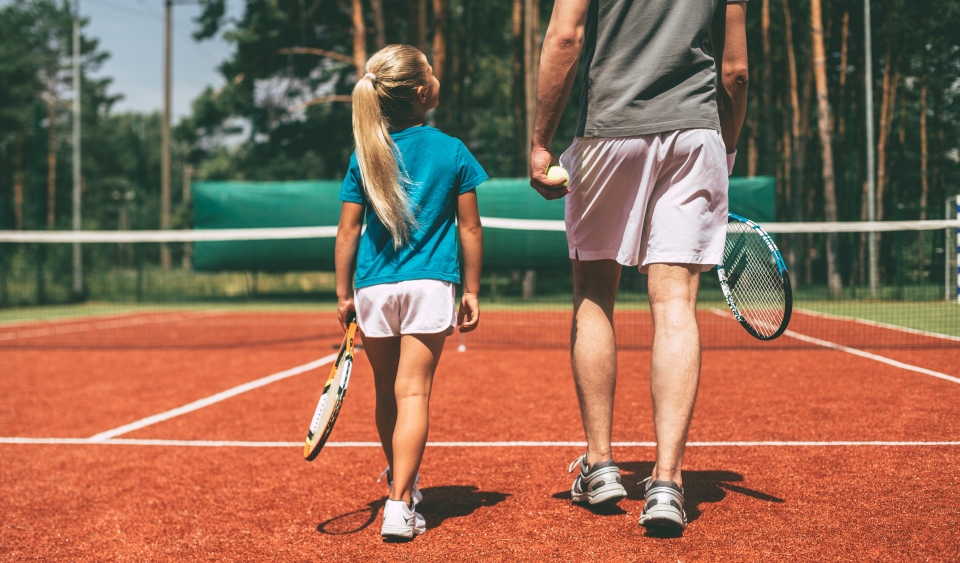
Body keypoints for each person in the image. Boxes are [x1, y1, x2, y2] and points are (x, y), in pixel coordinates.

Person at [529, 0, 749, 532]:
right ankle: (668, 483)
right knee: (676, 305)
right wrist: (728, 147)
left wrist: (539, 142)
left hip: (610, 129)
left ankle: (601, 466)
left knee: (594, 296)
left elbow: (565, 37)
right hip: (696, 133)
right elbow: (736, 70)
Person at [336, 44, 486, 541]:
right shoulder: (453, 151)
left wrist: (343, 294)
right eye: (431, 69)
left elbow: (347, 233)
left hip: (374, 289)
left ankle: (402, 485)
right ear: (423, 93)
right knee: (414, 392)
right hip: (429, 286)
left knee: (387, 394)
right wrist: (473, 289)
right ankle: (399, 503)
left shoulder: (365, 153)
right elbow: (470, 229)